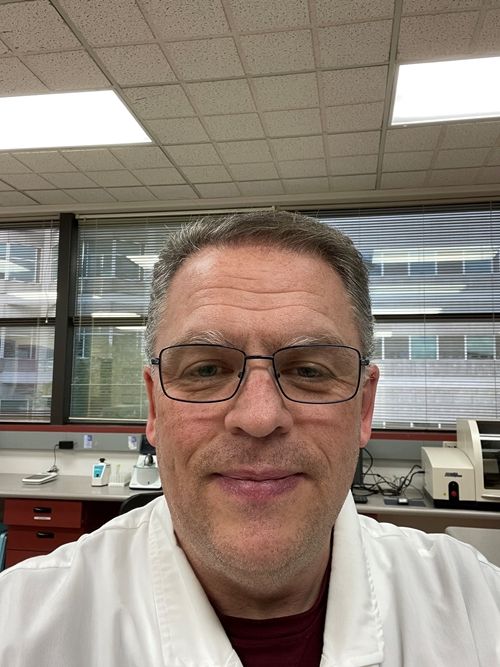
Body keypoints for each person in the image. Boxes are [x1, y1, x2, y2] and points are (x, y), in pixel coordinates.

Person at [0, 211, 499, 666]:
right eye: (206, 369)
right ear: (153, 407)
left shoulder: (476, 605)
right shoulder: (20, 628)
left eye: (308, 370)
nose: (259, 417)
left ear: (364, 407)